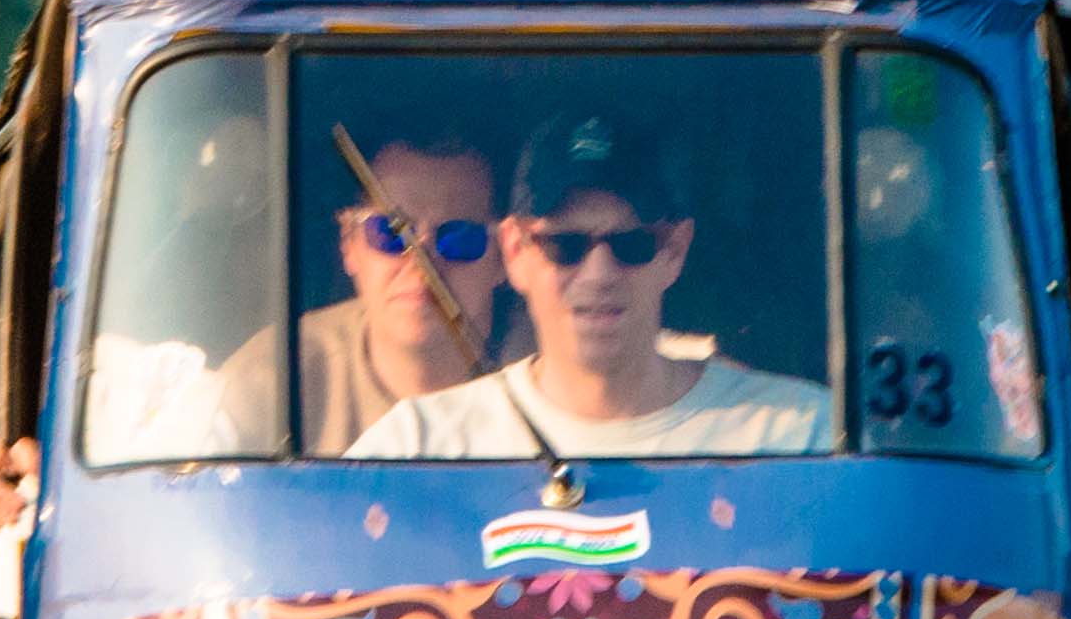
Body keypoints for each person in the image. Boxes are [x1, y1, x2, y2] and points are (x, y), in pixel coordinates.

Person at [350, 114, 833, 459]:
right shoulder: (414, 447)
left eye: (632, 245)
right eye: (565, 246)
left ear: (674, 251)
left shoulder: (801, 437)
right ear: (514, 252)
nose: (599, 274)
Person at [299, 120, 510, 452]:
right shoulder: (271, 386)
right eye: (391, 232)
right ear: (348, 243)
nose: (421, 262)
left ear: (505, 256)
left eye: (458, 237)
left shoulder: (561, 383)